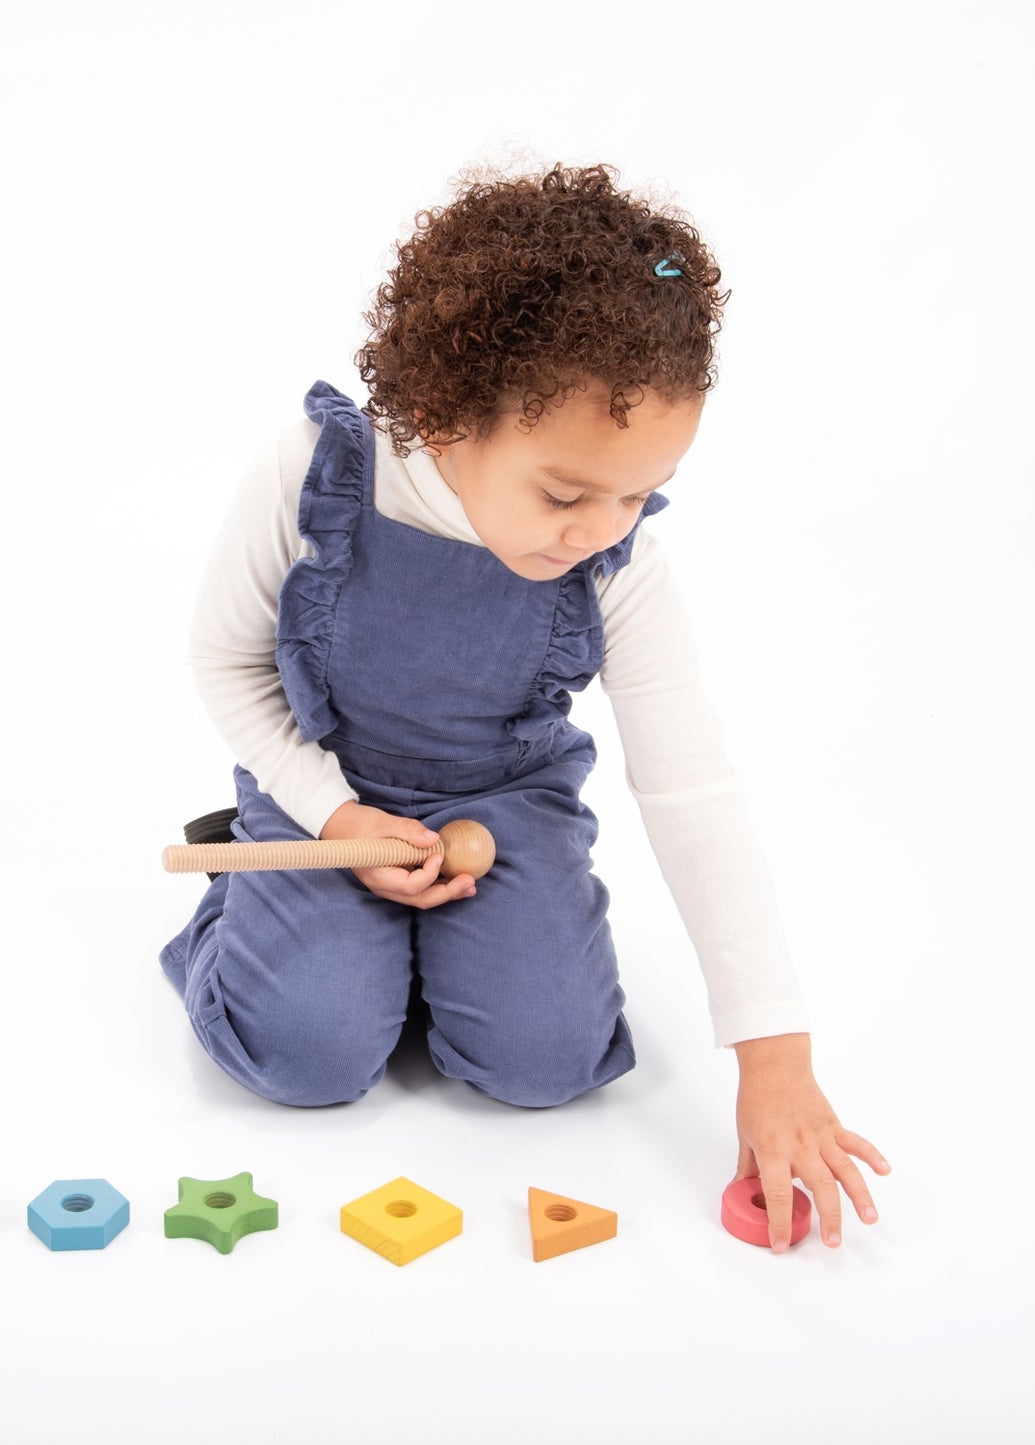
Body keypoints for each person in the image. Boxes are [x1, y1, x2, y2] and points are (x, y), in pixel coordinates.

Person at [160, 162, 888, 1252]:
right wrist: (329, 816)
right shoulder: (315, 470)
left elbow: (688, 786)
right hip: (326, 795)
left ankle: (398, 953)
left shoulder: (615, 556)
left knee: (544, 1065)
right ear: (440, 416)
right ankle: (241, 902)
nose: (601, 527)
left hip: (497, 805)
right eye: (563, 493)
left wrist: (773, 1057)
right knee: (308, 1056)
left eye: (636, 492)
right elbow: (225, 662)